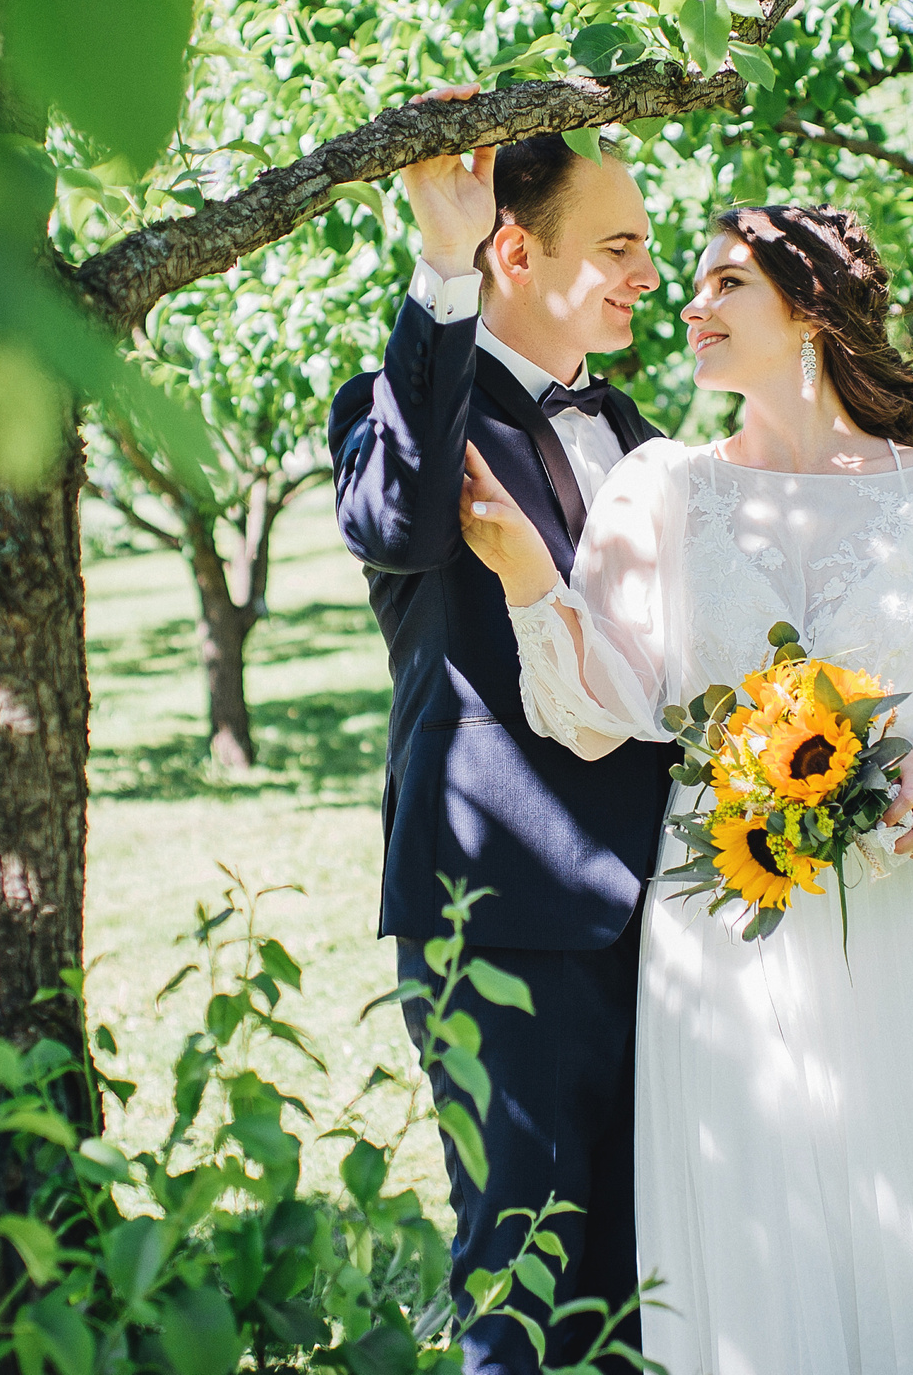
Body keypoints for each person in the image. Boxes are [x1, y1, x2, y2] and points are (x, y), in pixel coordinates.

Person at [458, 203, 913, 1375]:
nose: (688, 303)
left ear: (809, 308)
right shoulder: (661, 488)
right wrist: (530, 575)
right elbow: (601, 706)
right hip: (728, 922)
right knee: (766, 1239)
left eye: (727, 283)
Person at [326, 89, 675, 1373]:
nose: (652, 274)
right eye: (622, 246)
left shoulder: (639, 435)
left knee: (657, 1260)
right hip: (502, 913)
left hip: (673, 912)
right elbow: (398, 529)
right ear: (516, 253)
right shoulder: (402, 402)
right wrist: (439, 260)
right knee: (526, 1270)